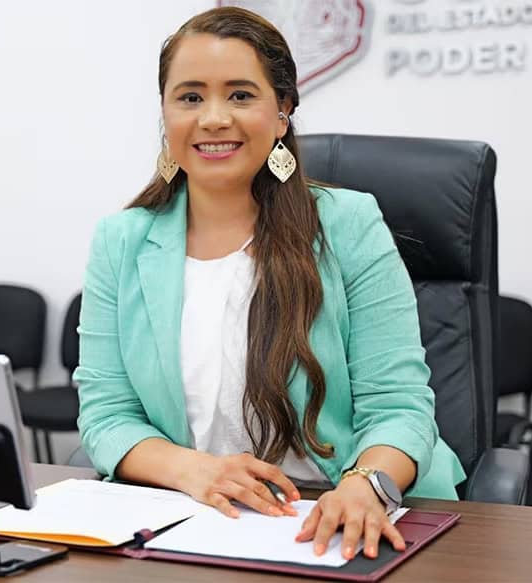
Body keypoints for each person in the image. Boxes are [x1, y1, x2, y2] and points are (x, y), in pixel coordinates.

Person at [74, 6, 465, 561]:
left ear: (282, 112)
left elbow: (399, 406)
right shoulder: (122, 240)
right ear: (165, 114)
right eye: (190, 97)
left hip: (338, 523)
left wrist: (365, 485)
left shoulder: (347, 224)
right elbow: (106, 414)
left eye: (240, 95)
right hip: (194, 524)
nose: (213, 118)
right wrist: (197, 471)